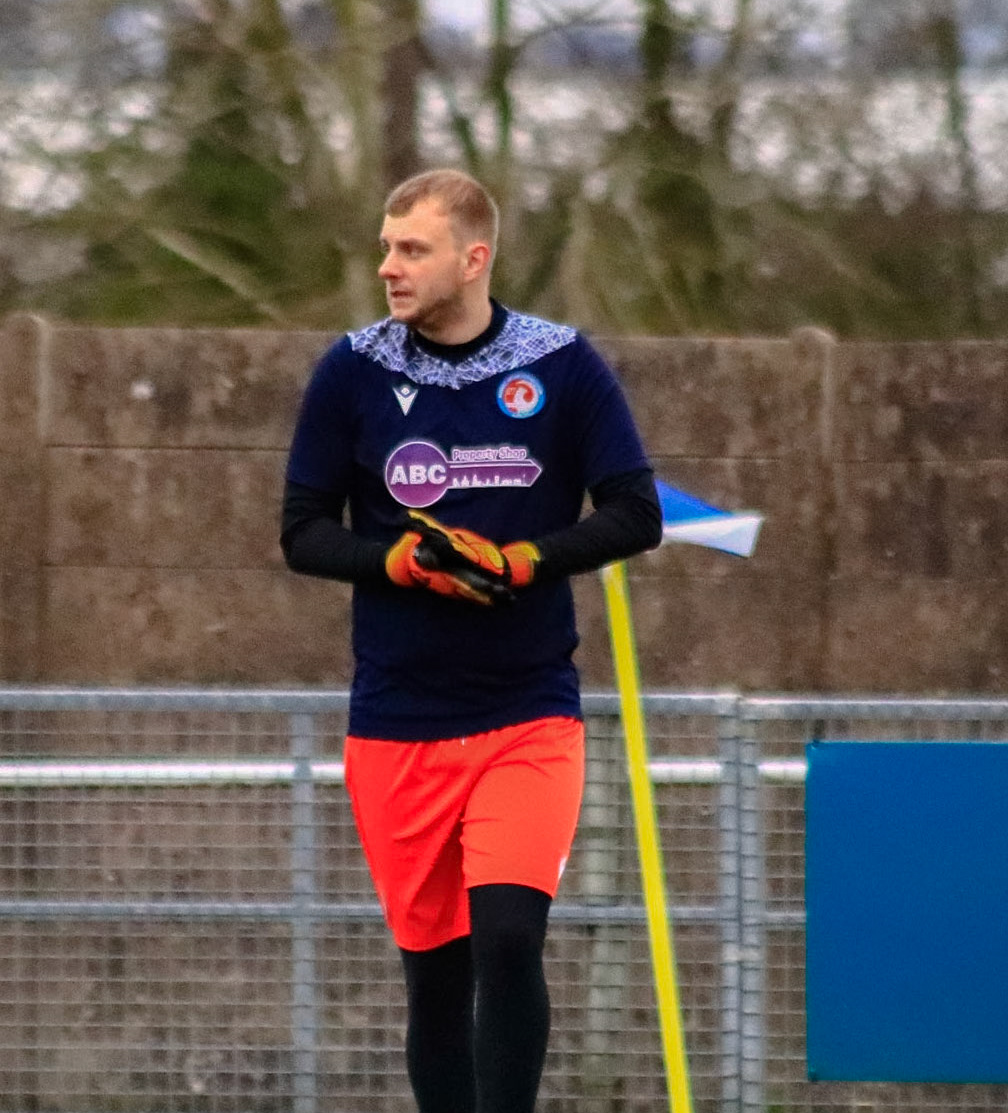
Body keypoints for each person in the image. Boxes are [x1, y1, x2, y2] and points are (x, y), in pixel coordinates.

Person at [279, 168, 662, 1113]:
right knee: (438, 981)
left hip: (526, 715)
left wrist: (525, 559)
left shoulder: (564, 364)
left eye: (412, 249)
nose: (389, 267)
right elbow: (301, 531)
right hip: (397, 722)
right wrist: (399, 564)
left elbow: (636, 512)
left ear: (473, 257)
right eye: (386, 247)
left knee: (506, 938)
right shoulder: (352, 369)